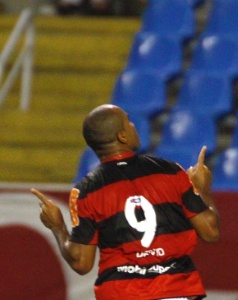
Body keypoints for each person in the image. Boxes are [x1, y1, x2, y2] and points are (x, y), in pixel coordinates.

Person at [32, 104, 220, 299]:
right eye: (128, 122)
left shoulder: (86, 192)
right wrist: (203, 189)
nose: (133, 126)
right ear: (122, 136)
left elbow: (81, 263)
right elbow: (210, 231)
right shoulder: (170, 171)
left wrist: (58, 227)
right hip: (176, 290)